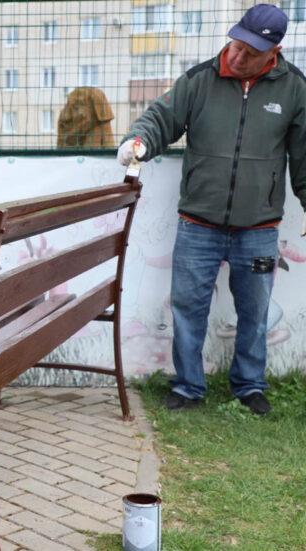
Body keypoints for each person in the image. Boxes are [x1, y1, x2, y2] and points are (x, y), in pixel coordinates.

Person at [118, 3, 306, 415]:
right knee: (188, 309)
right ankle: (187, 386)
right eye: (236, 45)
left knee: (255, 313)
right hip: (197, 225)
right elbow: (159, 118)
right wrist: (139, 142)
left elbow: (304, 156)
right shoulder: (200, 79)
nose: (238, 56)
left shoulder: (294, 89)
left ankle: (250, 386)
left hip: (258, 228)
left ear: (273, 50)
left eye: (251, 52)